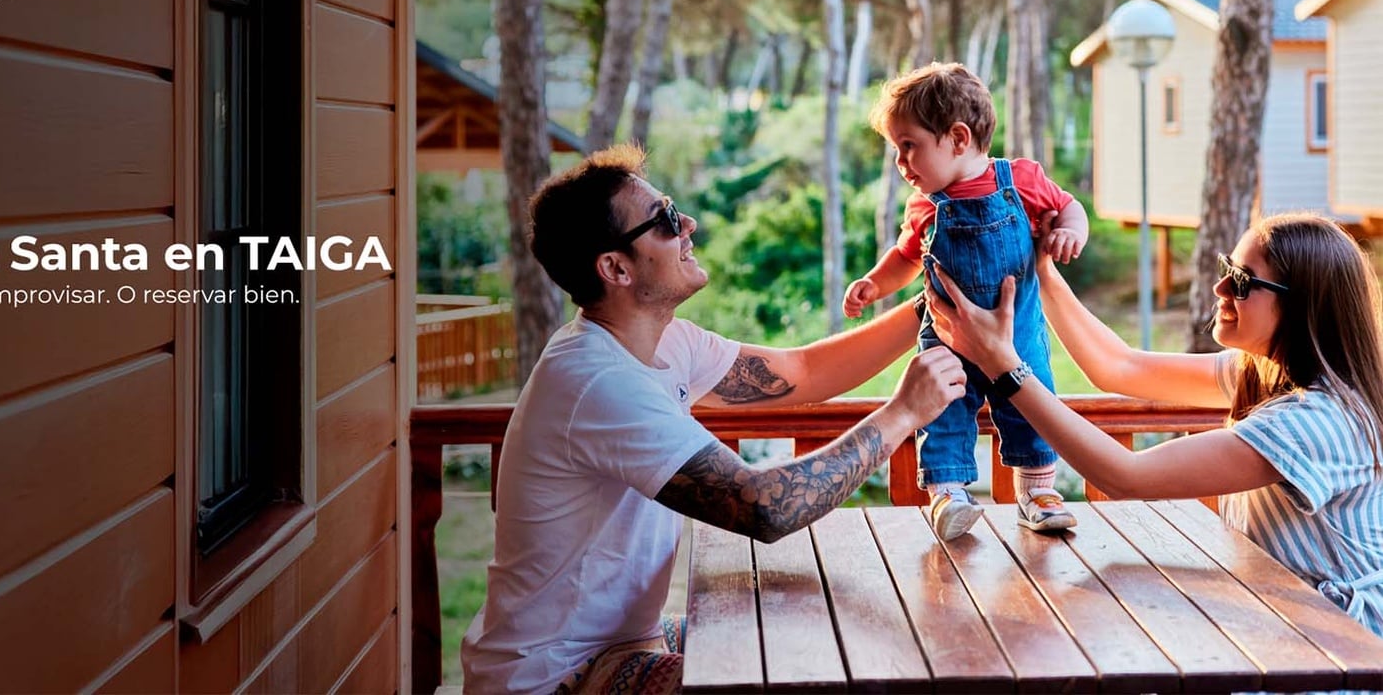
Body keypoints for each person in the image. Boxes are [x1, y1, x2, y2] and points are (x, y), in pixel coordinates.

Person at [460, 145, 968, 695]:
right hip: (553, 679)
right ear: (615, 268)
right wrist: (903, 415)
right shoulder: (596, 381)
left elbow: (802, 371)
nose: (690, 225)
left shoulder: (662, 342)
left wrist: (939, 298)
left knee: (793, 628)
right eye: (666, 221)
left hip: (620, 646)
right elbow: (765, 507)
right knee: (785, 674)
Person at [928, 212, 1383, 637]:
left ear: (1302, 308)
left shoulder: (1318, 420)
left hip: (1344, 649)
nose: (1220, 288)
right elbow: (1120, 368)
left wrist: (1003, 367)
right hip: (1288, 623)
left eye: (1242, 282)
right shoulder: (1263, 371)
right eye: (1228, 267)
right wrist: (1042, 273)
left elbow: (1126, 476)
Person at [843, 62, 1089, 539]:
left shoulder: (1020, 180)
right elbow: (905, 256)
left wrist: (1068, 231)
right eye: (897, 149)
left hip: (1015, 333)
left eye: (908, 146)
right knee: (942, 411)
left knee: (1032, 407)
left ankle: (1037, 493)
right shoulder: (925, 206)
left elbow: (1068, 205)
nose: (901, 162)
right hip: (945, 338)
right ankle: (948, 495)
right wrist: (874, 284)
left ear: (957, 138)